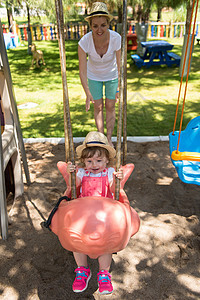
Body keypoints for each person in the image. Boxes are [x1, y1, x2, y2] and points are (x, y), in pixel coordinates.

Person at [66, 131, 123, 294]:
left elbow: (113, 190)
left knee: (106, 244)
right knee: (76, 241)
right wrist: (72, 173)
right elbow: (74, 186)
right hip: (84, 215)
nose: (94, 164)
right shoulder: (83, 172)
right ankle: (83, 270)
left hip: (104, 215)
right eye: (89, 161)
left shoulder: (110, 172)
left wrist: (118, 180)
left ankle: (104, 273)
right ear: (84, 161)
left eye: (99, 160)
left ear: (107, 160)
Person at [78, 2, 121, 147]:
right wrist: (87, 92)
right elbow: (82, 71)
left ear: (108, 23)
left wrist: (118, 88)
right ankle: (101, 137)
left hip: (112, 75)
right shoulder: (84, 42)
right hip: (93, 76)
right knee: (98, 107)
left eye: (103, 25)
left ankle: (109, 138)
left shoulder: (116, 39)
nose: (99, 29)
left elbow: (121, 66)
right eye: (95, 26)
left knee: (110, 105)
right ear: (90, 26)